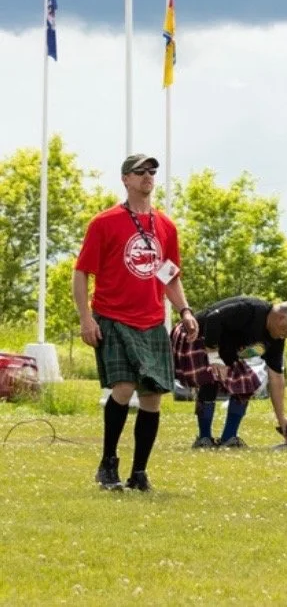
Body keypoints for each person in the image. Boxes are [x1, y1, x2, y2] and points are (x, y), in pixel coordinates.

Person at [73, 153, 199, 493]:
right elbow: (81, 272)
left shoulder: (166, 226)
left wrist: (185, 311)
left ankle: (139, 473)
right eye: (140, 171)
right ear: (125, 179)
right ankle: (108, 463)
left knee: (152, 397)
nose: (148, 176)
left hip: (151, 321)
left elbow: (168, 275)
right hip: (113, 317)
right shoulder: (105, 223)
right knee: (124, 388)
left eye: (152, 171)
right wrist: (86, 318)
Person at [171, 297, 287, 448]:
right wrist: (214, 357)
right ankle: (204, 439)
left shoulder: (276, 338)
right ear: (281, 318)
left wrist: (281, 418)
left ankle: (229, 439)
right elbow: (213, 318)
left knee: (246, 383)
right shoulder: (250, 310)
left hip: (223, 349)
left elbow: (276, 377)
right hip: (194, 334)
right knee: (211, 377)